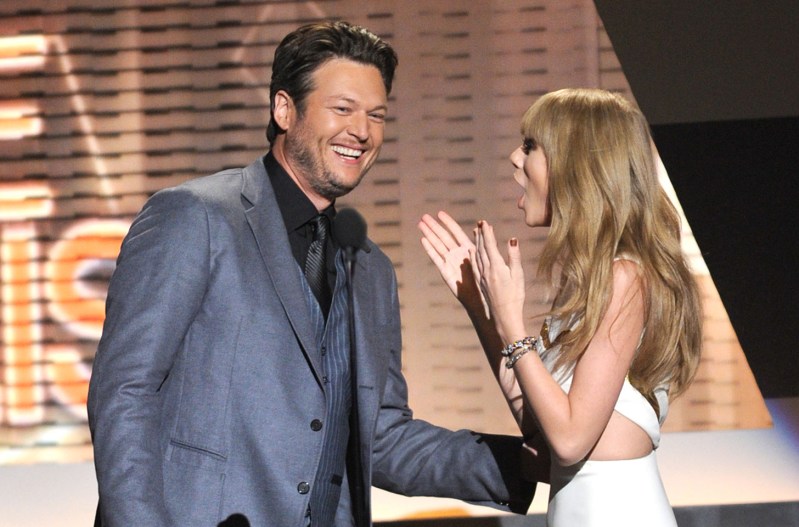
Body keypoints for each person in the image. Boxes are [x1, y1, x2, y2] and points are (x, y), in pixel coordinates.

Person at [87, 21, 537, 527]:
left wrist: (533, 461)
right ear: (284, 108)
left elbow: (380, 436)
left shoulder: (370, 269)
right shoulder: (196, 217)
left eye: (376, 115)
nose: (362, 131)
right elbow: (126, 390)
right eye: (342, 109)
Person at [419, 88, 702, 526]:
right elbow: (541, 430)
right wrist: (480, 306)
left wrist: (512, 321)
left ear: (576, 166)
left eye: (531, 146)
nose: (515, 158)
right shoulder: (593, 280)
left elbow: (571, 440)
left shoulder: (625, 278)